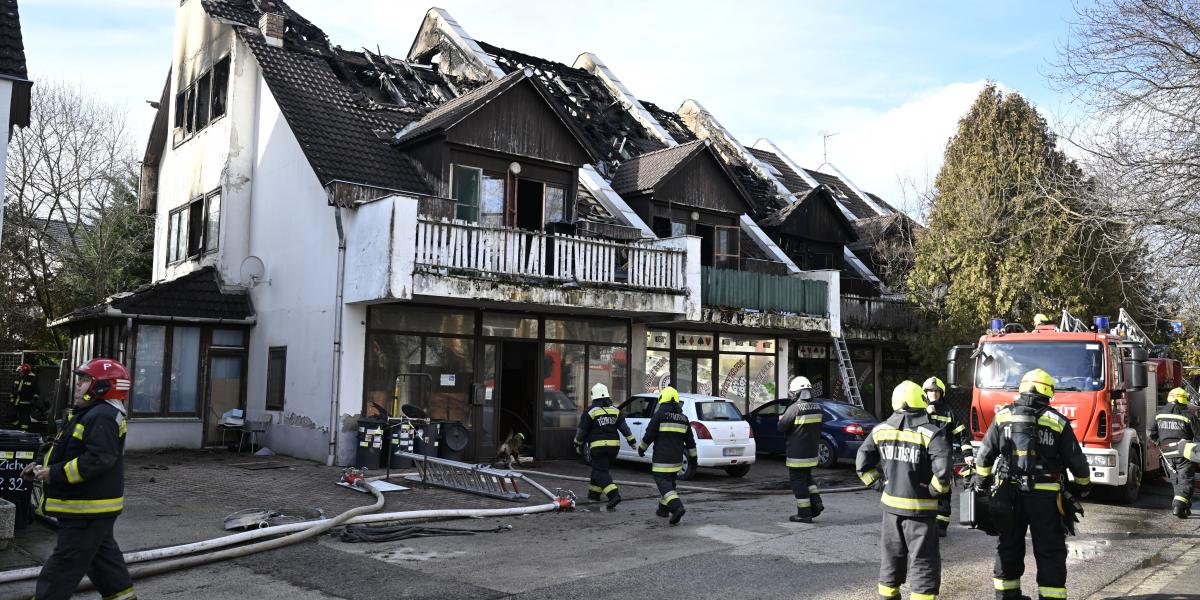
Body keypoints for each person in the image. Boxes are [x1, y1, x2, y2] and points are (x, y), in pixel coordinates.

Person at [974, 368, 1090, 600]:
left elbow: (984, 456)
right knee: (1050, 550)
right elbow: (1077, 462)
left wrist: (981, 483)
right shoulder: (1057, 421)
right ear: (1048, 393)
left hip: (1009, 495)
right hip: (1046, 499)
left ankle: (1007, 596)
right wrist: (1082, 487)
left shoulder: (1003, 416)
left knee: (1009, 546)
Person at [25, 358, 135, 600]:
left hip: (87, 508)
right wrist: (41, 466)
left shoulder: (102, 415)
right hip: (91, 507)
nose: (78, 384)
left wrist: (54, 473)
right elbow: (67, 449)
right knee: (104, 562)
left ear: (103, 387)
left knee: (63, 565)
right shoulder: (92, 413)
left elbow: (99, 458)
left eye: (85, 380)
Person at [857, 380, 952, 600]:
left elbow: (862, 464)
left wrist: (879, 484)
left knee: (891, 560)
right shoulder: (931, 433)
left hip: (890, 510)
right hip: (921, 512)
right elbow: (943, 473)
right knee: (923, 562)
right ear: (921, 401)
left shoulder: (880, 430)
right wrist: (932, 492)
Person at [923, 376, 973, 537]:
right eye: (931, 390)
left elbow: (962, 434)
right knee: (922, 491)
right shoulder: (919, 410)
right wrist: (925, 414)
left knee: (943, 493)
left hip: (943, 460)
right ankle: (922, 523)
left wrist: (968, 454)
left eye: (937, 391)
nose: (934, 393)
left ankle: (941, 526)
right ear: (925, 392)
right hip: (923, 459)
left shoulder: (949, 412)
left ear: (941, 393)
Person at [638, 386, 696, 525]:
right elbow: (690, 442)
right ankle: (663, 509)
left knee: (663, 483)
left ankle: (677, 508)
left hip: (662, 459)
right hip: (677, 460)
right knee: (670, 484)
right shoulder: (683, 418)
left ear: (662, 399)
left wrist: (641, 448)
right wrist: (694, 459)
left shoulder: (659, 415)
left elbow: (649, 434)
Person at [574, 382, 636, 509]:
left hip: (598, 447)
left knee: (600, 471)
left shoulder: (590, 412)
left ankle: (614, 495)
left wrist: (577, 442)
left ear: (594, 397)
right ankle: (594, 493)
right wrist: (632, 441)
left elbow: (583, 431)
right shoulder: (616, 411)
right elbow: (624, 428)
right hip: (614, 448)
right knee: (599, 469)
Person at [778, 376, 826, 522]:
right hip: (812, 453)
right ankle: (816, 504)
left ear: (797, 393)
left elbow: (782, 427)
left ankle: (804, 514)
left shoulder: (794, 408)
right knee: (808, 479)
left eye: (793, 393)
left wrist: (781, 419)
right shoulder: (818, 407)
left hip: (797, 455)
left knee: (798, 484)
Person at [1150, 387, 1199, 518]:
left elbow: (1152, 434)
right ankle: (1178, 506)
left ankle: (1184, 507)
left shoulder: (1159, 415)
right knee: (1186, 480)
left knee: (1177, 480)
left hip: (1166, 454)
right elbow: (1198, 436)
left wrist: (1159, 444)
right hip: (1184, 452)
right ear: (1184, 400)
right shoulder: (1189, 416)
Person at [8, 363, 40, 431]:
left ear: (25, 372)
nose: (19, 373)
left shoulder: (32, 380)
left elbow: (36, 392)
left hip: (26, 403)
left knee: (24, 418)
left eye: (21, 371)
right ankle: (16, 425)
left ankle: (24, 430)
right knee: (11, 415)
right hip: (15, 401)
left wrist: (34, 399)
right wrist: (12, 398)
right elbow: (13, 390)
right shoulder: (18, 378)